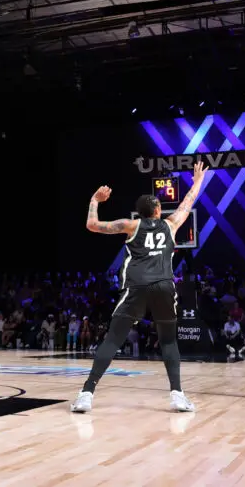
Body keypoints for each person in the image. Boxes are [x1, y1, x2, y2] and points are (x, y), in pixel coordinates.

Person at [71, 161, 208, 414]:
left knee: (113, 340)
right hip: (164, 286)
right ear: (157, 210)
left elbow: (92, 225)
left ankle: (86, 394)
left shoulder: (130, 225)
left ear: (140, 213)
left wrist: (94, 200)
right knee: (168, 341)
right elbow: (187, 203)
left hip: (136, 288)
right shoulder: (171, 224)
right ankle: (177, 395)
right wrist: (198, 180)